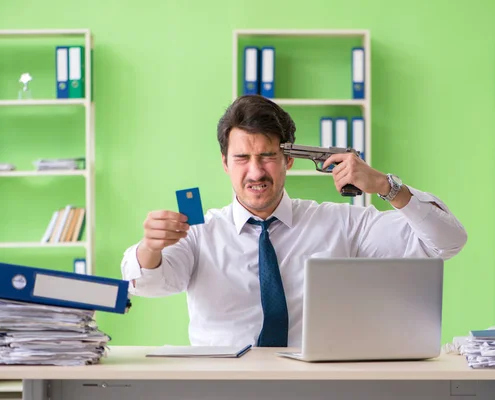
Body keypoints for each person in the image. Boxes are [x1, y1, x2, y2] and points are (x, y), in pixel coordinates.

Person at [120, 94, 467, 348]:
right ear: (225, 164)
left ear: (288, 160)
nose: (255, 171)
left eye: (267, 156)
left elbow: (446, 242)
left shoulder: (343, 224)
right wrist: (150, 247)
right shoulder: (198, 232)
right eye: (242, 158)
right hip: (223, 389)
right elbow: (147, 284)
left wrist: (385, 186)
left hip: (314, 388)